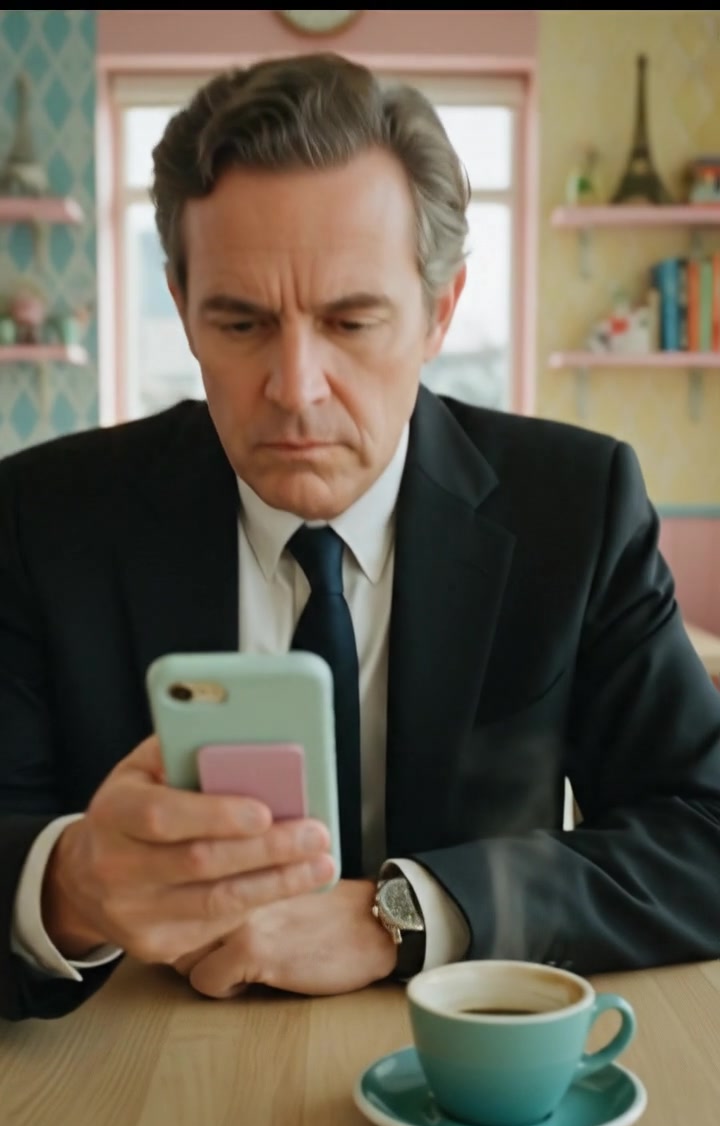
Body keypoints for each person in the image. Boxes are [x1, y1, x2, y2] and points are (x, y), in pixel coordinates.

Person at [1, 53, 719, 1024]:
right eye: (242, 321)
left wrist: (409, 913)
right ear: (180, 303)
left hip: (462, 1066)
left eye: (351, 319)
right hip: (141, 1085)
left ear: (440, 310)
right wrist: (66, 886)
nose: (295, 387)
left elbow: (702, 830)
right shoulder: (43, 517)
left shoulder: (575, 507)